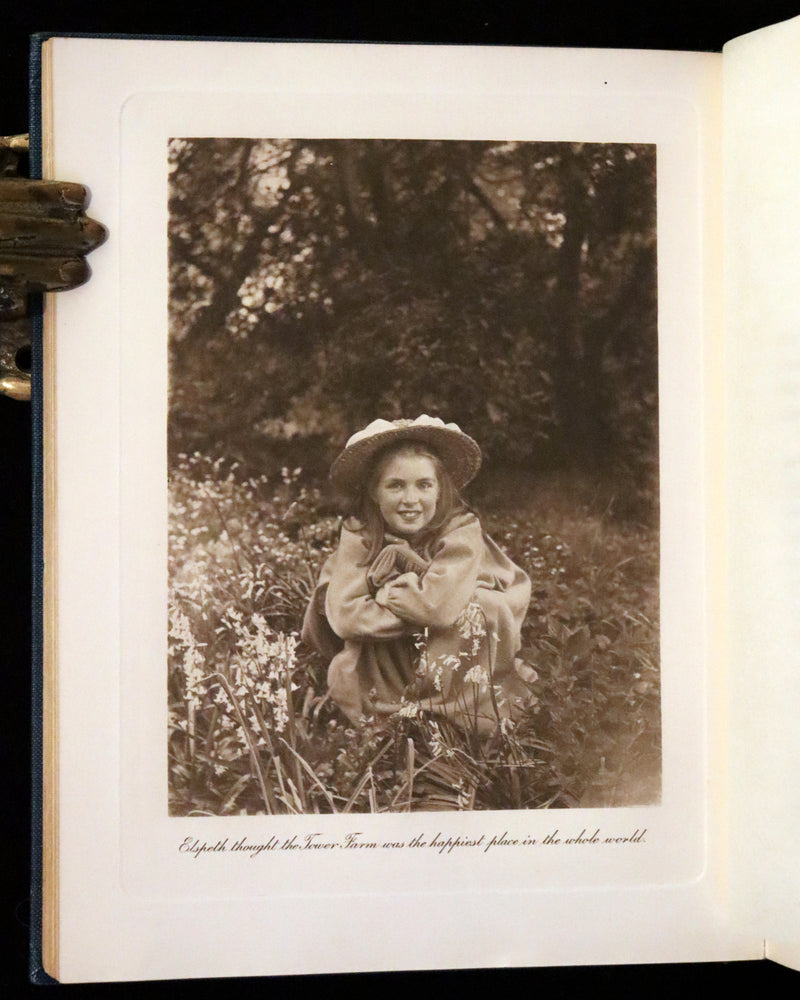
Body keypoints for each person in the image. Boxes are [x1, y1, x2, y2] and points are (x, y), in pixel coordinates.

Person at [302, 415, 533, 735]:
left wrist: (388, 594)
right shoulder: (361, 535)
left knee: (484, 606)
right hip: (386, 666)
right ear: (373, 492)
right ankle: (399, 711)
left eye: (424, 485)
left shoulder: (460, 530)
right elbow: (345, 617)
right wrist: (422, 607)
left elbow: (438, 608)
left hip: (450, 657)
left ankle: (452, 711)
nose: (410, 500)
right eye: (395, 485)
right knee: (355, 643)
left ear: (440, 491)